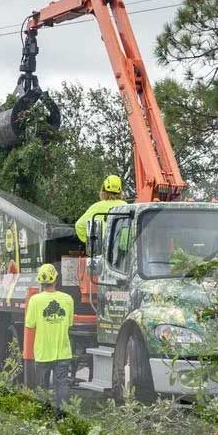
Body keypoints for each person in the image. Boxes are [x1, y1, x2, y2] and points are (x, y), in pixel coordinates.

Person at [23, 263, 76, 415]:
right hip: (63, 352)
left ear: (40, 281)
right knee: (62, 386)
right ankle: (63, 418)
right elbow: (69, 323)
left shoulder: (35, 300)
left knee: (42, 387)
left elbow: (30, 324)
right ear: (56, 279)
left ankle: (43, 416)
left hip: (42, 352)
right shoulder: (68, 299)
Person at [75, 174, 127, 247]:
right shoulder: (126, 206)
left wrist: (90, 242)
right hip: (124, 251)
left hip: (103, 251)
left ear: (103, 191)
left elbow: (79, 225)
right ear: (120, 192)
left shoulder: (96, 207)